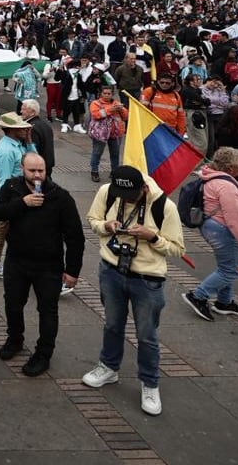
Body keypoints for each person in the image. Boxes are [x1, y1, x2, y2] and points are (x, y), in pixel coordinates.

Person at [82, 165, 185, 416]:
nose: (125, 200)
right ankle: (108, 367)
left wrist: (152, 237)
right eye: (121, 196)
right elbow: (92, 220)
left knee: (147, 334)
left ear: (144, 188)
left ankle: (149, 383)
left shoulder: (165, 207)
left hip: (147, 279)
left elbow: (177, 249)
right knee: (112, 324)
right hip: (111, 270)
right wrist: (106, 226)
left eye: (130, 197)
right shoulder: (108, 193)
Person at [0, 153, 85, 376]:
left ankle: (43, 354)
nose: (37, 175)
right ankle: (15, 339)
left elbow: (75, 237)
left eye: (41, 171)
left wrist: (72, 271)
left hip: (48, 265)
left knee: (48, 311)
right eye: (32, 171)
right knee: (13, 304)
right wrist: (22, 204)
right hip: (17, 260)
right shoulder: (12, 187)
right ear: (22, 168)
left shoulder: (60, 197)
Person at [183, 147, 238, 322]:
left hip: (213, 227)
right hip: (222, 231)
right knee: (230, 271)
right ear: (230, 168)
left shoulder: (214, 176)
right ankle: (198, 296)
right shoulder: (226, 186)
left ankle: (224, 302)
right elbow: (235, 221)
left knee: (227, 266)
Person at [0, 112, 35, 279]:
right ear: (10, 130)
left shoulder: (18, 143)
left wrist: (29, 141)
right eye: (20, 127)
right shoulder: (6, 151)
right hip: (11, 198)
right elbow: (6, 180)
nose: (25, 129)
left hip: (21, 195)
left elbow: (33, 160)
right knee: (0, 232)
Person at [87, 85, 127, 182]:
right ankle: (94, 172)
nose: (106, 95)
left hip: (115, 133)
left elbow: (126, 117)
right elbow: (96, 115)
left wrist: (121, 110)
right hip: (100, 134)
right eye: (104, 93)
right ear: (101, 94)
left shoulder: (117, 104)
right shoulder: (95, 103)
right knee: (97, 153)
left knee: (115, 154)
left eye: (109, 93)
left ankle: (114, 172)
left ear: (112, 94)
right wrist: (110, 110)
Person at [20, 99, 56, 180]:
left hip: (38, 167)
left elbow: (33, 150)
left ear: (33, 112)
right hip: (47, 163)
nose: (21, 111)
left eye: (24, 109)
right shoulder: (45, 124)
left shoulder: (31, 128)